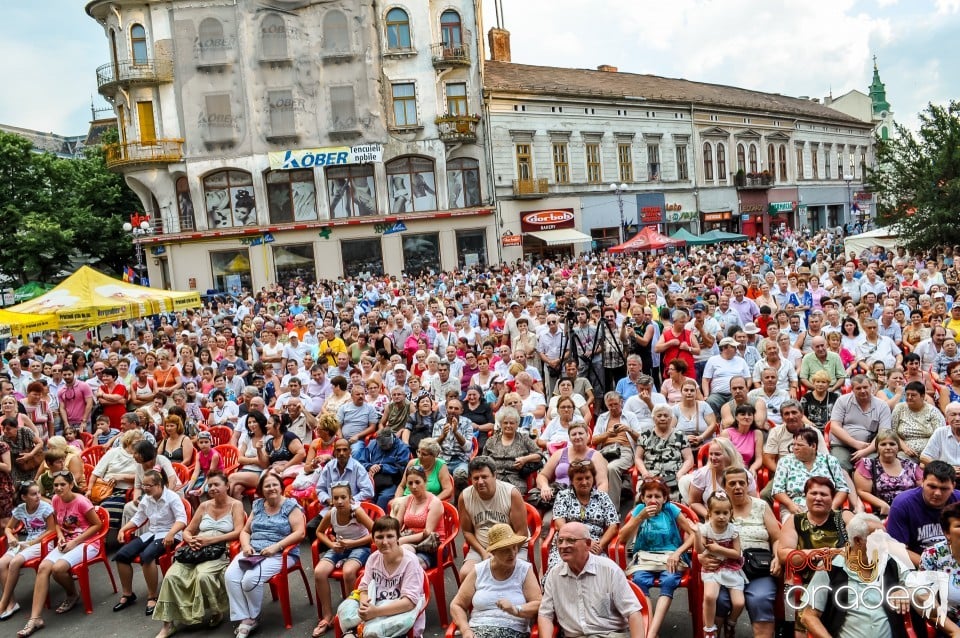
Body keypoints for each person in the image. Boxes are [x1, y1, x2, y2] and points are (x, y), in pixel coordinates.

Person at [152, 471, 245, 638]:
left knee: (203, 575)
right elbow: (188, 530)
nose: (213, 488)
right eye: (210, 485)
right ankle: (167, 624)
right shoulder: (204, 506)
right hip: (197, 548)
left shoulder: (236, 505)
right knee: (171, 576)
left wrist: (211, 540)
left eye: (217, 484)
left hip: (218, 550)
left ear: (227, 486)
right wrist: (189, 539)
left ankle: (216, 611)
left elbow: (239, 531)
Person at [16, 470, 103, 638]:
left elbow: (97, 525)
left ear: (71, 485)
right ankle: (35, 619)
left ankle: (72, 594)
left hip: (87, 543)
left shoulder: (81, 502)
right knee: (43, 567)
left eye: (63, 484)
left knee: (58, 569)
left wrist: (74, 542)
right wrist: (61, 536)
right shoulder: (55, 500)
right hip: (67, 541)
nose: (58, 488)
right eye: (56, 485)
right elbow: (57, 523)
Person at [801, 512, 913, 638]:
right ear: (858, 541)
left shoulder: (891, 562)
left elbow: (920, 590)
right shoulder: (830, 567)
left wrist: (905, 591)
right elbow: (808, 616)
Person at [224, 471, 307, 638]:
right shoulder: (258, 505)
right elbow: (245, 531)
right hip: (254, 551)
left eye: (274, 484)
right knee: (230, 575)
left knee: (249, 580)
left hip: (280, 554)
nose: (271, 488)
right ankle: (245, 617)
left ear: (281, 487)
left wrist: (276, 547)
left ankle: (252, 617)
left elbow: (300, 533)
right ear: (261, 489)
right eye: (267, 486)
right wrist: (246, 545)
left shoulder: (290, 506)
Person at [776, 476, 854, 638]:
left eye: (824, 494)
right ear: (806, 496)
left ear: (832, 498)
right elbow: (783, 554)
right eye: (813, 493)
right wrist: (813, 554)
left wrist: (835, 554)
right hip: (808, 581)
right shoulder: (795, 520)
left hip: (844, 580)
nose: (818, 498)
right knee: (804, 603)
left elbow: (865, 544)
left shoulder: (844, 518)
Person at [538, 521, 646, 638]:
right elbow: (545, 615)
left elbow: (633, 612)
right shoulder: (554, 575)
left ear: (588, 544)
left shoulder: (609, 570)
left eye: (571, 540)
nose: (563, 546)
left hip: (610, 635)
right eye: (560, 541)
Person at [618, 476, 694, 638]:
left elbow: (694, 533)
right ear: (643, 498)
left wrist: (678, 552)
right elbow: (622, 538)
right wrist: (639, 518)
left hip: (670, 557)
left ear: (665, 498)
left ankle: (650, 633)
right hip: (645, 558)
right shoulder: (639, 510)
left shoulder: (671, 509)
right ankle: (650, 628)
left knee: (669, 580)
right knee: (639, 581)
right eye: (649, 496)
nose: (653, 500)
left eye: (657, 496)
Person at [712, 467, 781, 638]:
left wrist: (778, 557)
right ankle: (722, 630)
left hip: (759, 568)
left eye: (742, 483)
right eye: (732, 483)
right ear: (724, 487)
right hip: (727, 567)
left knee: (760, 599)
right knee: (719, 600)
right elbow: (707, 539)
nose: (738, 487)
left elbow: (777, 537)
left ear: (748, 484)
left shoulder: (761, 506)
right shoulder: (718, 510)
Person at [113, 469, 189, 615]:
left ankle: (152, 596)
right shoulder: (146, 499)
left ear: (159, 484)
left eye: (149, 485)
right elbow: (138, 518)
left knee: (147, 556)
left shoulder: (172, 497)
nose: (145, 488)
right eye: (144, 485)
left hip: (170, 535)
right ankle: (128, 594)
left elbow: (182, 519)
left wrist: (171, 533)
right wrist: (123, 529)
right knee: (121, 556)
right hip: (151, 533)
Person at [336, 516, 426, 638]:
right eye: (379, 537)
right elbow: (364, 589)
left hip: (398, 615)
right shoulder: (373, 558)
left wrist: (375, 612)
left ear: (398, 537)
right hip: (373, 610)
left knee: (372, 635)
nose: (384, 542)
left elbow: (409, 603)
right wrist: (365, 607)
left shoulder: (410, 562)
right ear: (373, 539)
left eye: (390, 536)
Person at [450, 523, 542, 638]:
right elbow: (457, 605)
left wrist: (516, 609)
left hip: (513, 631)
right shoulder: (479, 570)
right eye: (505, 550)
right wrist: (465, 630)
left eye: (514, 547)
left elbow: (539, 603)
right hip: (479, 630)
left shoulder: (524, 569)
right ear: (493, 552)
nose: (512, 553)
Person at [313, 483, 375, 638]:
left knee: (348, 571)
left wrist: (352, 543)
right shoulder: (331, 513)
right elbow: (319, 532)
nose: (340, 501)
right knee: (319, 572)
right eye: (336, 498)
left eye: (343, 497)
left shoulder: (357, 512)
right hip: (339, 547)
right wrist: (331, 544)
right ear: (332, 500)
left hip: (360, 546)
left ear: (350, 499)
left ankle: (351, 617)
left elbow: (376, 532)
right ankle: (327, 617)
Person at [458, 456, 527, 579]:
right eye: (475, 478)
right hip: (482, 548)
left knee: (511, 576)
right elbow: (467, 531)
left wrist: (502, 553)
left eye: (484, 477)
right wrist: (483, 552)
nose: (480, 482)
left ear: (495, 475)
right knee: (465, 574)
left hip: (512, 547)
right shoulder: (465, 497)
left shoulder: (511, 493)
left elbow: (522, 532)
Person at [544, 460, 619, 572]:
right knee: (558, 571)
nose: (584, 482)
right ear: (572, 481)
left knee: (604, 573)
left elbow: (613, 526)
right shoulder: (563, 496)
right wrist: (580, 541)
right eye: (579, 479)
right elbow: (560, 524)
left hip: (594, 546)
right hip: (567, 544)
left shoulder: (602, 497)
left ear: (593, 478)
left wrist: (599, 546)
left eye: (588, 478)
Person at [886, 460, 960, 566]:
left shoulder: (958, 502)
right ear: (922, 482)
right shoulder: (903, 504)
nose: (937, 493)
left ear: (953, 486)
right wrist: (931, 565)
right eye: (932, 487)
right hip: (918, 565)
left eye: (944, 488)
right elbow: (896, 548)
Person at [0, 481, 55, 620]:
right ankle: (12, 603)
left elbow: (51, 530)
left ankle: (3, 602)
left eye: (38, 493)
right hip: (26, 543)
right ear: (24, 497)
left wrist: (31, 543)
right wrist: (10, 536)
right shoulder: (20, 509)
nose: (38, 496)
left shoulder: (45, 508)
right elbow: (8, 527)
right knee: (1, 563)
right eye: (33, 494)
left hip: (42, 543)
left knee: (14, 562)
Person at [696, 492, 746, 638]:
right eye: (717, 512)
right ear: (709, 513)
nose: (721, 516)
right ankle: (709, 629)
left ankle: (731, 623)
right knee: (710, 596)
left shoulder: (733, 530)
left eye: (725, 513)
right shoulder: (705, 529)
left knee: (739, 603)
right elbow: (700, 550)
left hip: (731, 567)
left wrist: (719, 549)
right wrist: (695, 535)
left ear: (731, 513)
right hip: (713, 568)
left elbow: (737, 554)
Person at [772, 427, 850, 519]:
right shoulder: (785, 461)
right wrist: (790, 505)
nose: (795, 448)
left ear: (813, 446)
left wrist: (832, 507)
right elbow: (777, 490)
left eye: (800, 445)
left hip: (825, 506)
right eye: (793, 445)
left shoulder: (830, 461)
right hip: (796, 507)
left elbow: (843, 488)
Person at [828, 374, 893, 471]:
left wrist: (865, 451)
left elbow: (883, 434)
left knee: (871, 465)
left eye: (865, 387)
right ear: (852, 389)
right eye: (858, 388)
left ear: (871, 386)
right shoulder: (842, 401)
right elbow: (834, 427)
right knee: (840, 465)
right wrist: (855, 444)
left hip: (870, 446)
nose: (862, 391)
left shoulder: (882, 406)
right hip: (842, 445)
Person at [534, 422, 608, 506]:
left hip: (585, 498)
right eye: (573, 434)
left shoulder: (596, 456)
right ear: (569, 438)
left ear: (587, 436)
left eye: (580, 433)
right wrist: (544, 486)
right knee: (545, 519)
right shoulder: (560, 453)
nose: (577, 437)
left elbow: (602, 483)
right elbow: (542, 475)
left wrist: (594, 503)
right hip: (558, 497)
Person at [854, 429, 922, 517]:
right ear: (877, 447)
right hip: (883, 513)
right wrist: (882, 504)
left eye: (892, 444)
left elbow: (923, 489)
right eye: (883, 444)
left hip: (910, 511)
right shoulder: (868, 465)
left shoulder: (911, 466)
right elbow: (862, 491)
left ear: (898, 447)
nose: (888, 447)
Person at [591, 391, 642, 511]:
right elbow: (594, 440)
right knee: (590, 466)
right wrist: (607, 434)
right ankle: (594, 506)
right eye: (610, 405)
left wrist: (628, 430)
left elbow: (640, 438)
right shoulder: (603, 418)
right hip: (606, 451)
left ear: (621, 403)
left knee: (611, 468)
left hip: (624, 449)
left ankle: (612, 510)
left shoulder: (630, 416)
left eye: (616, 404)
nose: (613, 407)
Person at [685, 438, 757, 519]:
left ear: (729, 455)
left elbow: (754, 501)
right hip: (713, 520)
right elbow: (693, 502)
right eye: (711, 454)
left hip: (740, 517)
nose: (713, 458)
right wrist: (709, 516)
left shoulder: (744, 475)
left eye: (717, 454)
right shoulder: (703, 474)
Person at [636, 404, 694, 501]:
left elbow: (689, 459)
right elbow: (638, 457)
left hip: (674, 476)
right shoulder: (645, 435)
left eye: (666, 416)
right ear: (653, 418)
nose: (662, 418)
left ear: (671, 419)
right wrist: (645, 473)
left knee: (683, 498)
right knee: (641, 497)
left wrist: (680, 473)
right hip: (651, 476)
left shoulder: (680, 435)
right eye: (659, 416)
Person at [481, 407, 541, 495]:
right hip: (494, 479)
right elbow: (484, 460)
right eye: (505, 423)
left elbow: (539, 455)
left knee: (512, 495)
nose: (508, 425)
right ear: (501, 424)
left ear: (517, 424)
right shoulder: (492, 441)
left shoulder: (524, 439)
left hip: (516, 480)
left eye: (512, 423)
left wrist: (525, 459)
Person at [355, 429, 410, 511]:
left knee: (383, 498)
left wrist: (382, 467)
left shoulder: (402, 448)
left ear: (392, 438)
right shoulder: (372, 444)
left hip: (391, 480)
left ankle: (378, 520)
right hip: (370, 479)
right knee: (361, 495)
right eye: (381, 445)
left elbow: (402, 468)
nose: (384, 447)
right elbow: (361, 462)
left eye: (386, 445)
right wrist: (370, 466)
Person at [891, 380, 946, 461]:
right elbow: (892, 432)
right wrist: (905, 448)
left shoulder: (933, 411)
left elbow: (941, 436)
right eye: (907, 395)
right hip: (904, 452)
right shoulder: (899, 408)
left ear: (922, 396)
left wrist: (926, 455)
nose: (909, 397)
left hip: (930, 454)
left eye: (913, 395)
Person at [720, 403, 764, 474]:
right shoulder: (726, 433)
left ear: (753, 417)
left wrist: (753, 468)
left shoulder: (757, 433)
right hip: (728, 469)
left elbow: (759, 458)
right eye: (743, 414)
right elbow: (722, 457)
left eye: (749, 414)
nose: (746, 417)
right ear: (736, 417)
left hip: (746, 469)